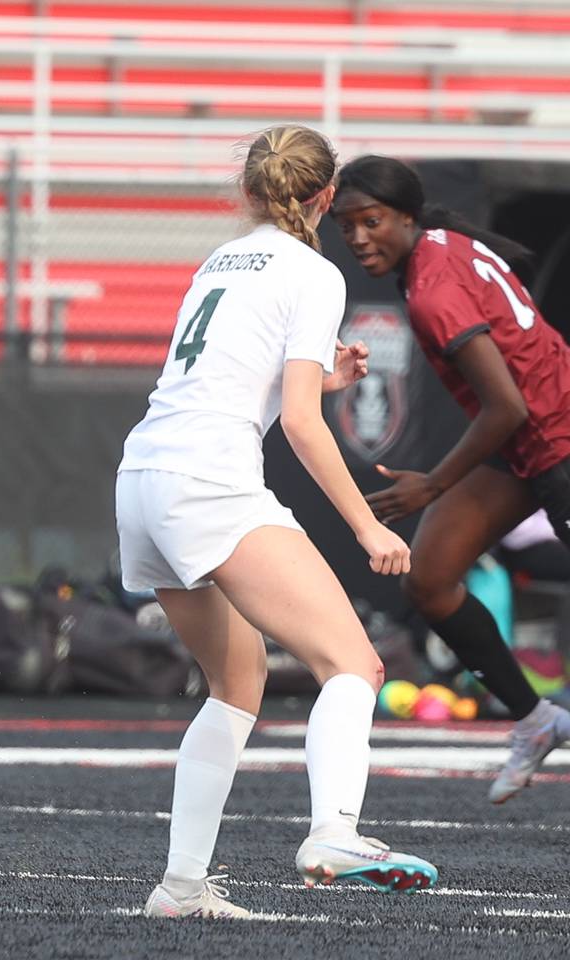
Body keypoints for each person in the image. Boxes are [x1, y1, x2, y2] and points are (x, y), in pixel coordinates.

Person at [116, 126, 437, 920]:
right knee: (354, 666)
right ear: (325, 197)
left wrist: (329, 377)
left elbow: (235, 373)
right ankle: (334, 831)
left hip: (142, 478)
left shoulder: (219, 261)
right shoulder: (313, 270)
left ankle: (181, 887)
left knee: (236, 682)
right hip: (209, 481)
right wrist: (369, 527)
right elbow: (299, 424)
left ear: (252, 192)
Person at [333, 154, 570, 802]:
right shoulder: (444, 243)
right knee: (432, 577)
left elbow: (508, 405)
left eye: (371, 221)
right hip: (527, 440)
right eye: (347, 225)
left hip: (553, 437)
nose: (358, 238)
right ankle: (536, 718)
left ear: (406, 216)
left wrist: (431, 484)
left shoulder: (432, 287)